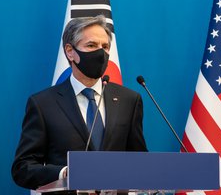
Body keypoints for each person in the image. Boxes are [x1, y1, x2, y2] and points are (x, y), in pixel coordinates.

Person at [11, 15, 148, 191]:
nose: (100, 53)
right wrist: (65, 173)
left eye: (105, 47)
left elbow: (140, 162)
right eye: (91, 45)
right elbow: (22, 168)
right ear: (70, 51)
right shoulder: (43, 104)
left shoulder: (129, 100)